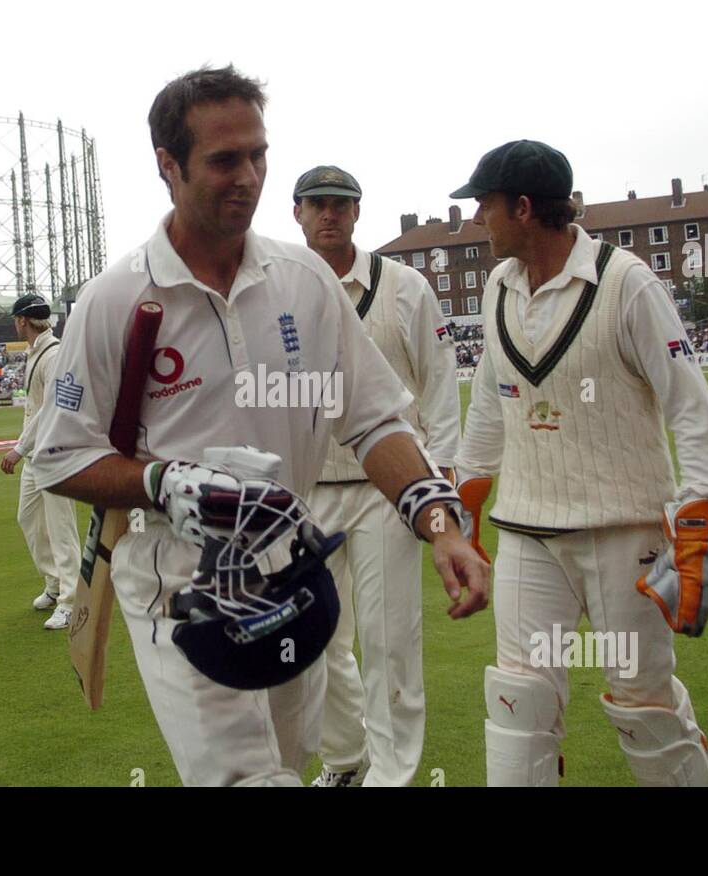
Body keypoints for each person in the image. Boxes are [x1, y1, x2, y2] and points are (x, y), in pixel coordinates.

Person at [28, 65, 489, 787]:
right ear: (167, 165)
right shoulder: (117, 299)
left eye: (258, 155)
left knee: (286, 765)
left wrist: (441, 521)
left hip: (290, 575)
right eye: (223, 160)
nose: (247, 177)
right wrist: (163, 480)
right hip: (178, 585)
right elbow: (57, 457)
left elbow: (374, 420)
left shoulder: (303, 282)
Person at [450, 140, 708, 786]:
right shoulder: (498, 287)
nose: (476, 219)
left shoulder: (626, 282)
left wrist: (698, 517)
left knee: (645, 708)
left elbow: (691, 406)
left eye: (484, 205)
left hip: (623, 530)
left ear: (523, 208)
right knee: (518, 704)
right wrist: (466, 499)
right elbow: (493, 406)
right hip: (526, 530)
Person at [293, 165, 460, 787]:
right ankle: (343, 759)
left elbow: (439, 384)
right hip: (307, 494)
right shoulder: (279, 288)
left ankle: (393, 776)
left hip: (388, 491)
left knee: (389, 642)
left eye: (341, 204)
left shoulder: (404, 286)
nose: (329, 214)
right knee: (318, 641)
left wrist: (441, 480)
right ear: (298, 213)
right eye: (318, 204)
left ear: (358, 213)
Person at [0, 294, 82, 630]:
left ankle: (71, 601)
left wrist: (18, 448)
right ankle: (53, 583)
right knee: (28, 519)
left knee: (62, 530)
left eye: (15, 320)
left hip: (55, 454)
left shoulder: (55, 353)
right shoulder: (35, 351)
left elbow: (52, 408)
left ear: (22, 320)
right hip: (37, 455)